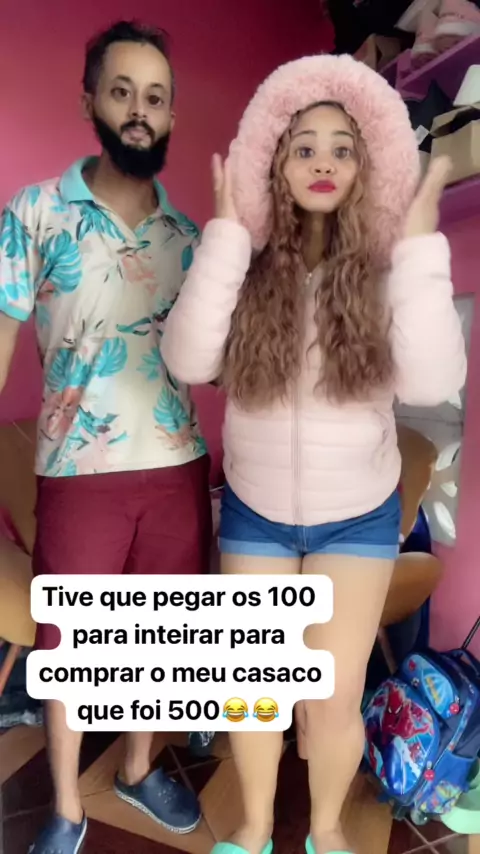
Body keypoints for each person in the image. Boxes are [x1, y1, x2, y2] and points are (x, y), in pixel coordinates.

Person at [161, 55, 467, 854]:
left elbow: (435, 380)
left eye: (342, 147)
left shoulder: (385, 271)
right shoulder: (244, 264)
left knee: (332, 698)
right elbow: (188, 360)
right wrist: (227, 233)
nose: (323, 161)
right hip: (257, 515)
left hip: (355, 520)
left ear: (367, 168)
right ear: (275, 162)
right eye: (304, 147)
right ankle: (256, 827)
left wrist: (419, 251)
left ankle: (325, 831)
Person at [0, 20, 214, 854]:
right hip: (77, 470)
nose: (139, 110)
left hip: (177, 469)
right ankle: (64, 807)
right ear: (89, 99)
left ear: (171, 117)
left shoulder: (192, 241)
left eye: (155, 98)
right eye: (122, 91)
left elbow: (223, 364)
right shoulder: (35, 213)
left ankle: (135, 768)